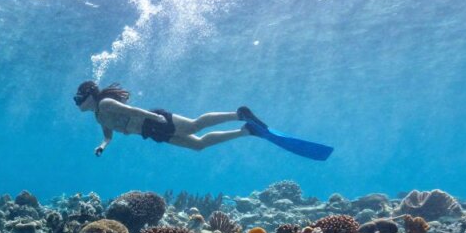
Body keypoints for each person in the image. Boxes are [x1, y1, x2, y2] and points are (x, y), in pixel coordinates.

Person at [74, 81, 333, 160]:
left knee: (197, 125)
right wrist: (102, 146)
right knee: (198, 145)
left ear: (89, 96)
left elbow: (133, 111)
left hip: (154, 122)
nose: (77, 104)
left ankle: (238, 114)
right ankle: (245, 130)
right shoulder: (99, 117)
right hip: (152, 132)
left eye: (78, 100)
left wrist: (154, 116)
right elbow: (109, 135)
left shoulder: (106, 104)